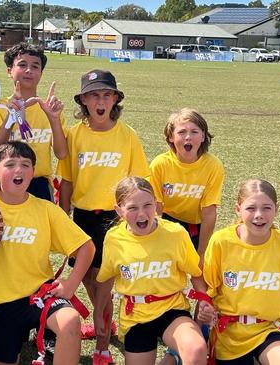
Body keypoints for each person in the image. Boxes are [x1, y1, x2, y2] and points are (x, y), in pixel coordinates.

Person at [0, 141, 95, 365]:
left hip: (38, 295)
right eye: (10, 164)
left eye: (25, 165)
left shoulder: (45, 209)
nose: (18, 170)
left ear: (33, 172)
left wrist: (70, 285)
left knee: (70, 320)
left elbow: (86, 247)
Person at [56, 69, 150, 365]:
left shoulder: (127, 135)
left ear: (115, 99)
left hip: (113, 218)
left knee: (104, 284)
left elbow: (138, 180)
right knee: (87, 277)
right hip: (82, 216)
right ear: (83, 100)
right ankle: (104, 323)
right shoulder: (75, 135)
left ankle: (102, 346)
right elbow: (68, 180)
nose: (100, 101)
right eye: (94, 95)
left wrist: (137, 216)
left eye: (106, 95)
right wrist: (63, 217)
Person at [96, 176, 208, 365]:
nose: (141, 214)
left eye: (147, 205)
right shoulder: (114, 239)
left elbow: (195, 273)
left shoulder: (175, 233)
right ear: (119, 210)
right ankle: (172, 356)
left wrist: (204, 301)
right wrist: (98, 313)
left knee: (196, 350)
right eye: (132, 207)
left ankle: (175, 353)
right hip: (136, 316)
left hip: (171, 308)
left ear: (156, 205)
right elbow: (107, 278)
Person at [203, 179, 280, 365]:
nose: (259, 215)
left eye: (266, 208)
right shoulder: (221, 242)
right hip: (229, 336)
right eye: (251, 208)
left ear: (276, 209)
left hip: (269, 330)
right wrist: (205, 313)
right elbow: (208, 295)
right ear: (238, 209)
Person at [0, 42, 67, 202]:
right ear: (9, 71)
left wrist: (54, 119)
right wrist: (11, 118)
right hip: (7, 181)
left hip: (40, 184)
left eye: (35, 66)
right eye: (22, 65)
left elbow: (61, 153)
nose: (29, 70)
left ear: (41, 73)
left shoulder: (49, 109)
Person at [149, 107, 224, 267]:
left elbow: (209, 213)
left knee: (199, 273)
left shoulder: (213, 166)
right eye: (182, 132)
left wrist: (202, 253)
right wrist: (155, 243)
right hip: (167, 224)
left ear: (203, 136)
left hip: (195, 227)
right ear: (170, 137)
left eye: (194, 132)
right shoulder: (160, 164)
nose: (188, 137)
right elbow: (156, 208)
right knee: (167, 270)